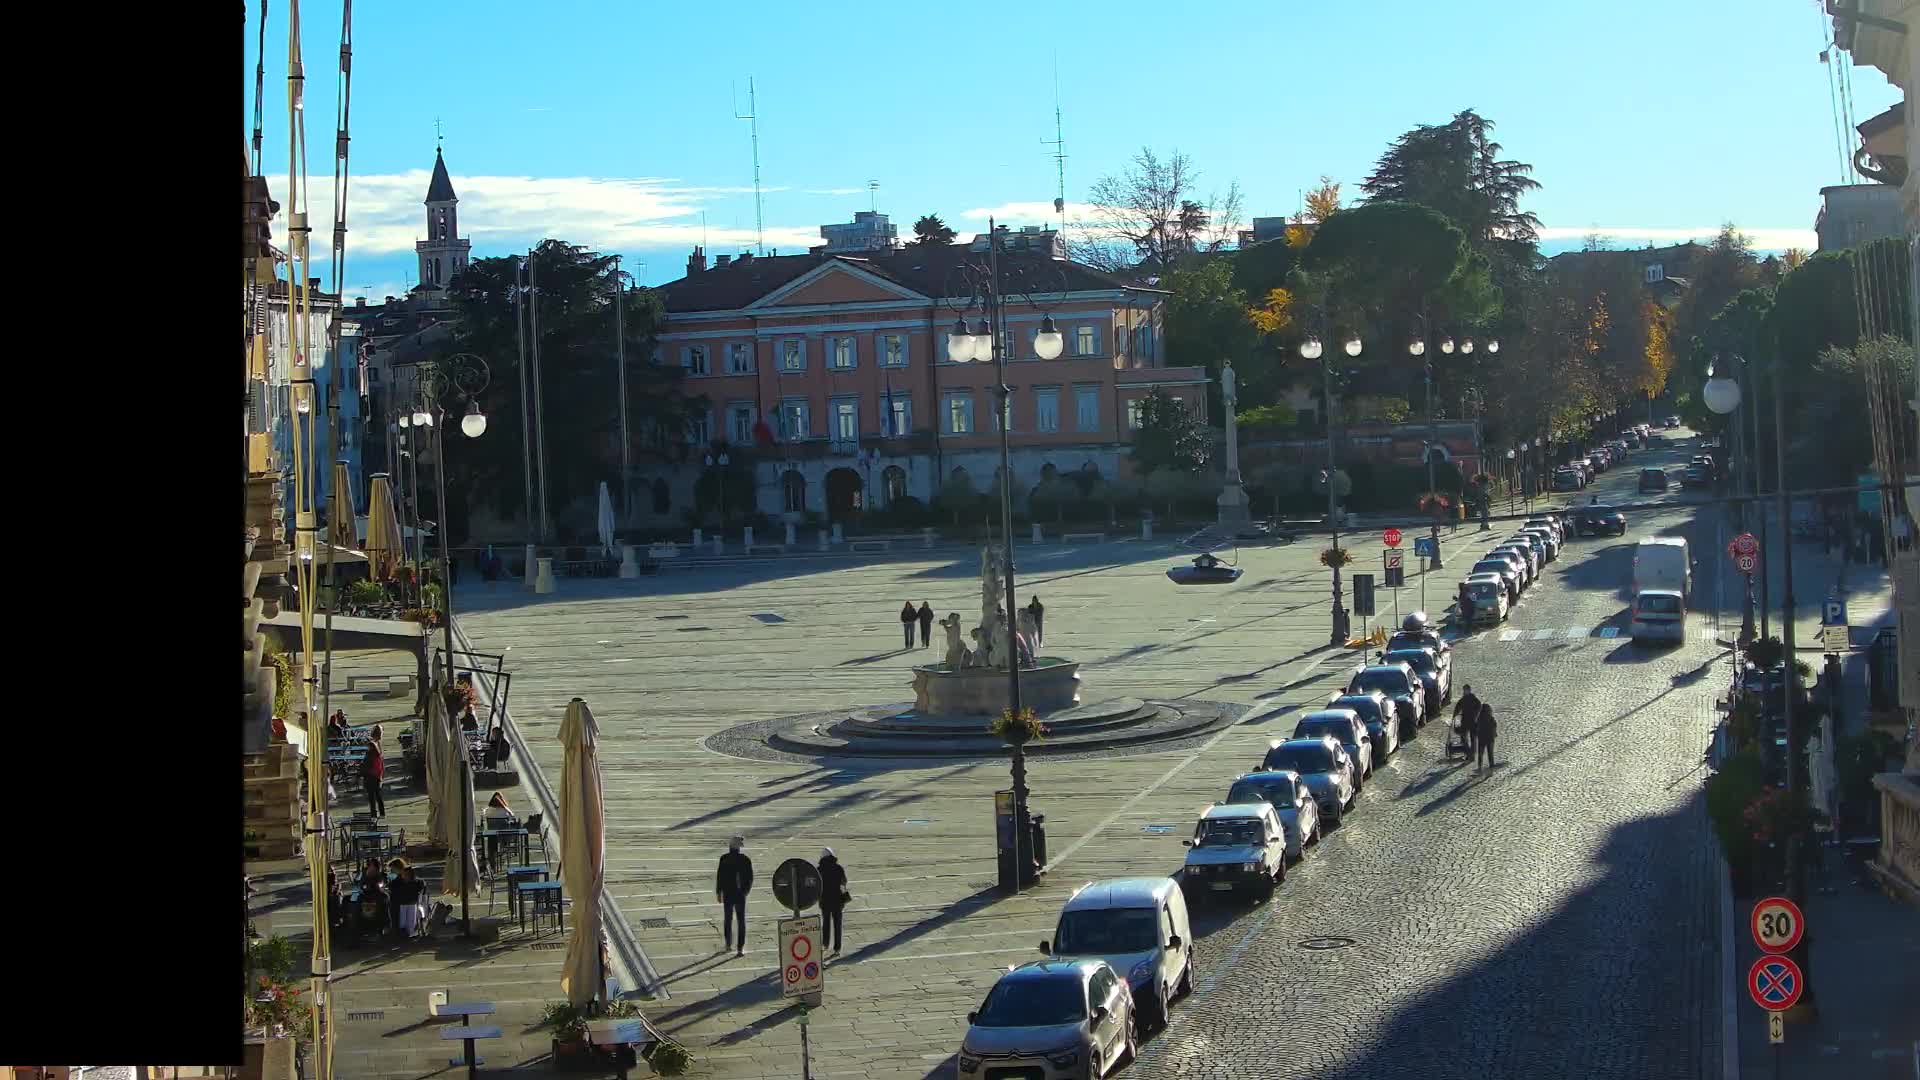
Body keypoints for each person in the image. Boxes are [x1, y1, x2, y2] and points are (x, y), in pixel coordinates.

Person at [716, 836, 753, 957]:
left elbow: (719, 877)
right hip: (740, 894)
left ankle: (728, 945)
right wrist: (745, 891)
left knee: (728, 919)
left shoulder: (724, 858)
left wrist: (719, 892)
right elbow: (749, 878)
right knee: (741, 920)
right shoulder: (745, 860)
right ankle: (740, 948)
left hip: (727, 893)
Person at [818, 847, 850, 956]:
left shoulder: (819, 870)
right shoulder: (838, 868)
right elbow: (843, 883)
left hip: (825, 901)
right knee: (837, 925)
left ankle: (825, 945)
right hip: (837, 901)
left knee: (826, 924)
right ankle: (837, 949)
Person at [388, 859, 428, 939]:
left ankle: (404, 932)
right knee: (409, 922)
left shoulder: (399, 880)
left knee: (405, 922)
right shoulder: (409, 878)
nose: (391, 871)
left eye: (393, 869)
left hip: (404, 903)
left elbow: (394, 889)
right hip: (410, 902)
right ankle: (408, 932)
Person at [482, 792, 517, 872]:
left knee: (491, 848)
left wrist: (484, 811)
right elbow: (512, 817)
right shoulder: (504, 810)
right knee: (505, 841)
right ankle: (503, 855)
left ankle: (493, 865)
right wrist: (506, 808)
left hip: (492, 835)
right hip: (504, 836)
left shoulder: (489, 810)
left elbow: (483, 817)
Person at [1452, 684, 1483, 758]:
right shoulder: (1463, 699)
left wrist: (1476, 715)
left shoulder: (1473, 699)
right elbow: (1457, 708)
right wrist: (1454, 716)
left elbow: (1479, 706)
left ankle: (1472, 754)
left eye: (1466, 690)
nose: (1465, 692)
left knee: (1473, 739)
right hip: (1465, 721)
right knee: (1463, 737)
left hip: (1472, 721)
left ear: (1469, 690)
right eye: (1464, 690)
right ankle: (1468, 752)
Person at [362, 734, 386, 819]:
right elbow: (381, 767)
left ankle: (373, 813)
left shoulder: (369, 756)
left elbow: (366, 767)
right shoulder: (378, 756)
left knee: (371, 797)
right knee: (378, 796)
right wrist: (381, 776)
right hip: (377, 777)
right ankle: (382, 813)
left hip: (370, 777)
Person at [1477, 703, 1498, 769]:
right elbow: (1494, 726)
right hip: (1490, 738)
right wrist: (1494, 733)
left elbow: (1476, 727)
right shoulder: (1491, 718)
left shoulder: (1479, 718)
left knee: (1480, 753)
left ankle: (1479, 765)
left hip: (1482, 738)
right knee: (1490, 752)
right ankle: (1491, 764)